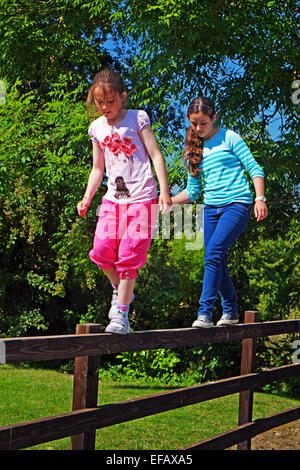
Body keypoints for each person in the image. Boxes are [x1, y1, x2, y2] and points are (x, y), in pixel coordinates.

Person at [77, 68, 171, 334]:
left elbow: (156, 155)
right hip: (112, 200)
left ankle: (121, 315)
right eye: (99, 103)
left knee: (129, 256)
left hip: (143, 199)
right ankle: (120, 289)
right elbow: (98, 168)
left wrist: (164, 191)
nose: (105, 107)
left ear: (123, 96)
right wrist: (87, 197)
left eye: (111, 101)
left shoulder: (137, 119)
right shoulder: (96, 128)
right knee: (101, 251)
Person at [171, 96, 268, 328]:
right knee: (216, 259)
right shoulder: (195, 148)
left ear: (214, 118)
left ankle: (204, 313)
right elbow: (193, 192)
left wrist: (260, 198)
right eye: (194, 123)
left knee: (212, 254)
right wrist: (167, 201)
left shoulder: (230, 137)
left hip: (237, 205)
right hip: (211, 209)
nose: (198, 128)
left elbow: (255, 168)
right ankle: (231, 310)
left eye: (203, 123)